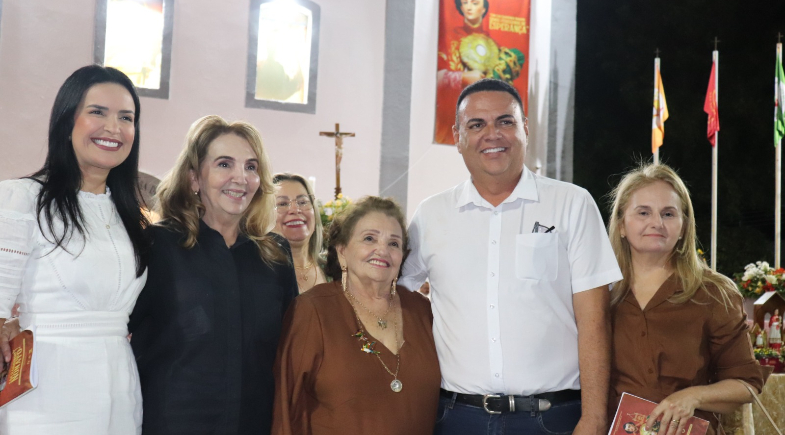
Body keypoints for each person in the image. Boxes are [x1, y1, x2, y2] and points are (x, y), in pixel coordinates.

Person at [400, 78, 622, 435]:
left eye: (505, 121)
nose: (492, 134)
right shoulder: (431, 215)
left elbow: (594, 321)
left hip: (553, 418)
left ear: (525, 130)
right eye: (476, 125)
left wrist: (594, 418)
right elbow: (395, 296)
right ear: (458, 137)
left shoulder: (572, 204)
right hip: (457, 418)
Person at [0, 65, 149, 433]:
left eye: (126, 118)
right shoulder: (22, 199)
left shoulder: (131, 216)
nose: (114, 128)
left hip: (120, 384)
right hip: (48, 390)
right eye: (97, 112)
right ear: (68, 122)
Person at [128, 115, 298, 435]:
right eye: (224, 164)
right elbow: (113, 324)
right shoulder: (158, 245)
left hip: (255, 424)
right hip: (173, 423)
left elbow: (292, 348)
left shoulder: (275, 254)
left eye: (251, 167)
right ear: (194, 178)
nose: (241, 178)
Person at [606, 163, 763, 435]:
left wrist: (692, 397)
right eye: (643, 212)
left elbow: (747, 384)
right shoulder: (597, 292)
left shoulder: (714, 293)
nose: (656, 222)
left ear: (683, 227)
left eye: (668, 213)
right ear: (621, 224)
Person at [272, 196, 441, 434]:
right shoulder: (313, 311)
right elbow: (287, 404)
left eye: (394, 243)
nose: (382, 249)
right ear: (342, 251)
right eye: (369, 238)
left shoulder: (422, 311)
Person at [273, 173, 327, 292]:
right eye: (282, 204)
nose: (295, 210)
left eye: (302, 202)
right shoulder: (261, 271)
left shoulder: (334, 268)